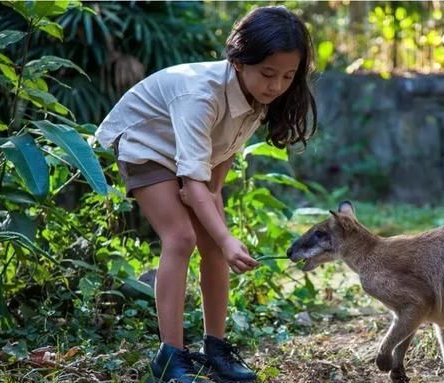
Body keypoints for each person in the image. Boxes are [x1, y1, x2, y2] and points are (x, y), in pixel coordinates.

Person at [95, 6, 317, 383]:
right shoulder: (200, 95)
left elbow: (214, 174)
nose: (276, 86)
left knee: (213, 244)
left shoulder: (255, 101)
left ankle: (215, 349)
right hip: (143, 143)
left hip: (188, 161)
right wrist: (227, 235)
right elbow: (192, 182)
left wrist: (222, 236)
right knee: (180, 238)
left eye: (287, 76)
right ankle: (170, 356)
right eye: (267, 74)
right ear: (238, 59)